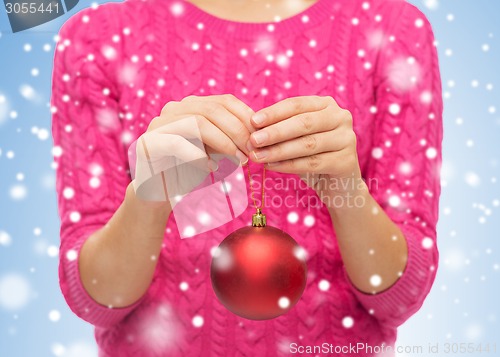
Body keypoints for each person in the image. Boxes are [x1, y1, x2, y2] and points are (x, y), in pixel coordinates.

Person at [50, 0, 443, 355]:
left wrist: (345, 190)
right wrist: (150, 196)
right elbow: (96, 300)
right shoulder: (98, 39)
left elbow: (399, 298)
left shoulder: (391, 29)